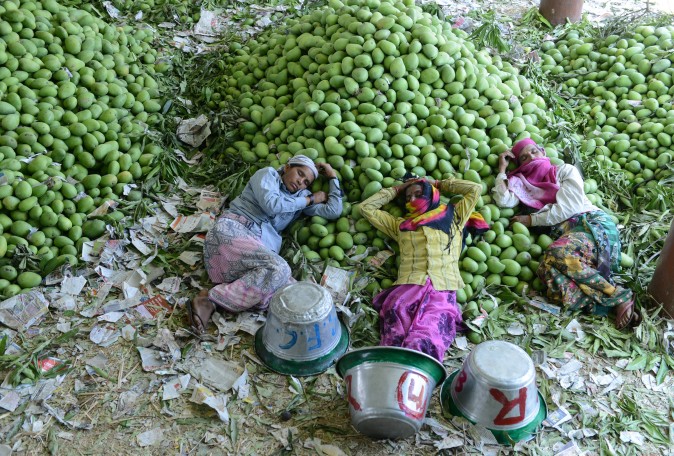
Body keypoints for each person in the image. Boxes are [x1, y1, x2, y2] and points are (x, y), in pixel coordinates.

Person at [493, 138, 639, 329]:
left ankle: (619, 296)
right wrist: (502, 170)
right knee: (548, 275)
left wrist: (531, 220)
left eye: (534, 151)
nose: (531, 157)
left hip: (592, 226)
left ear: (543, 152)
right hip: (571, 241)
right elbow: (503, 200)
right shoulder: (523, 186)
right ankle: (609, 306)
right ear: (520, 165)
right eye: (524, 157)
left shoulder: (564, 171)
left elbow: (569, 208)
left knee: (557, 253)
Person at [188, 155, 343, 334]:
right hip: (232, 232)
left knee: (290, 292)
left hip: (252, 258)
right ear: (286, 168)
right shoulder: (268, 175)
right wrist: (310, 200)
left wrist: (332, 177)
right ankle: (210, 300)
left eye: (306, 182)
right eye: (299, 173)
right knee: (280, 269)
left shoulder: (300, 198)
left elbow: (334, 211)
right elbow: (272, 205)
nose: (301, 182)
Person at [359, 176, 481, 362]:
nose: (413, 200)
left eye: (418, 194)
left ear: (432, 194)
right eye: (408, 197)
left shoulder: (455, 216)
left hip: (442, 288)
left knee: (428, 337)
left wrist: (439, 183)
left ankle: (418, 377)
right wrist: (398, 189)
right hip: (408, 287)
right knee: (395, 336)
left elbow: (475, 188)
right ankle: (390, 372)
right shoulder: (400, 226)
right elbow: (366, 208)